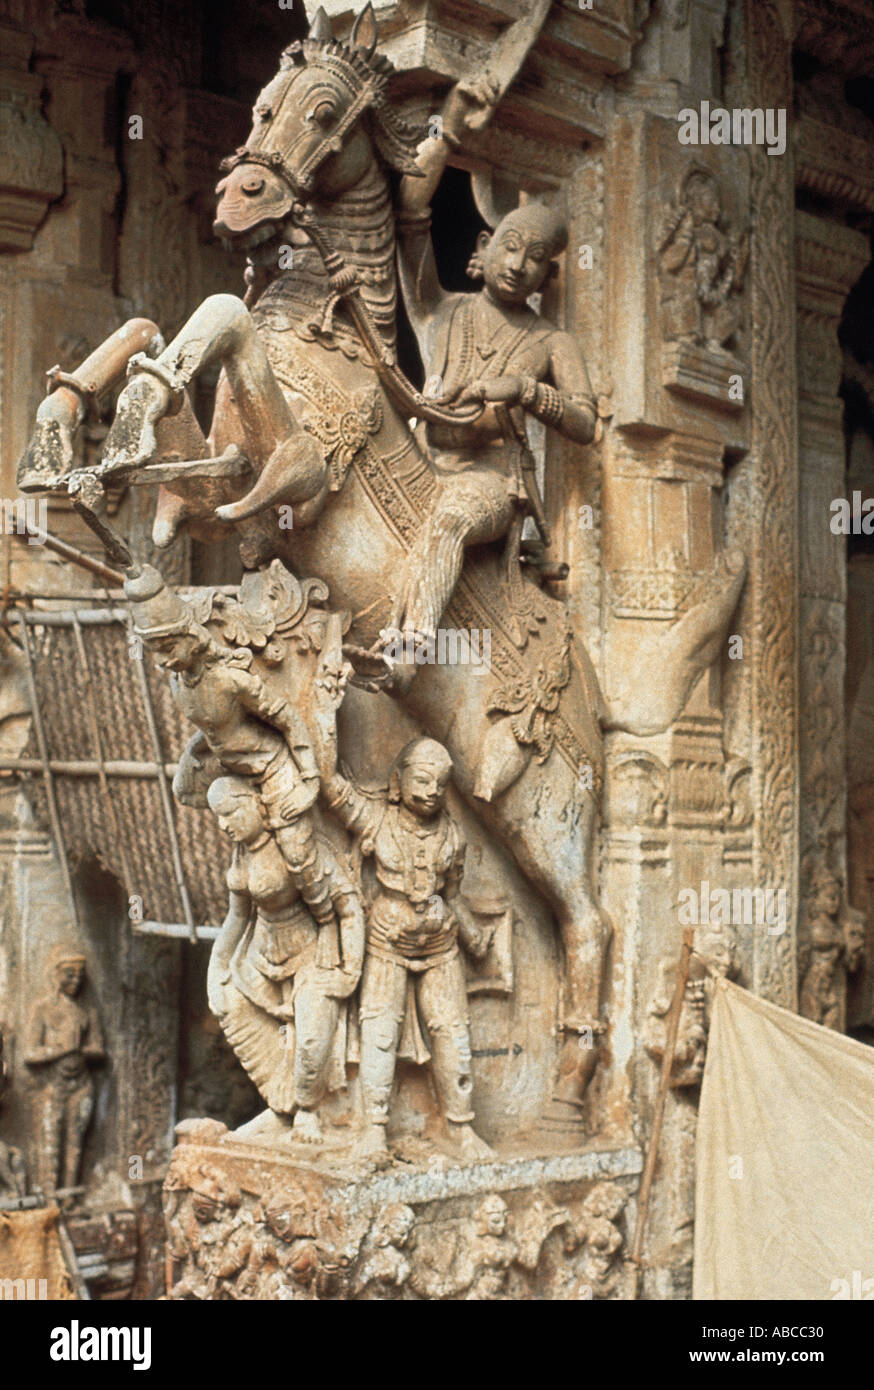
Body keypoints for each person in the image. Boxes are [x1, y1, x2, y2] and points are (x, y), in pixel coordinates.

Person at [386, 77, 598, 659]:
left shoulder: (552, 341)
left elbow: (587, 422)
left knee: (450, 518)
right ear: (482, 247)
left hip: (490, 482)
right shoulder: (439, 307)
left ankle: (409, 649)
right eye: (511, 246)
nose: (519, 264)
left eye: (536, 259)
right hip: (420, 458)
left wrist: (527, 391)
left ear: (548, 277)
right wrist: (450, 125)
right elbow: (409, 211)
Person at [125, 564, 343, 935]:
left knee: (296, 852)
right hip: (229, 765)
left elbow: (288, 720)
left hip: (273, 768)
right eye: (152, 650)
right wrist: (193, 752)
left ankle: (330, 922)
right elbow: (212, 728)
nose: (162, 660)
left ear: (190, 636)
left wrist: (308, 780)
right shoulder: (181, 684)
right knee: (185, 792)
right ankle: (255, 873)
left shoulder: (230, 681)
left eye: (167, 647)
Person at [321, 736, 492, 1161]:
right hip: (387, 939)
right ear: (398, 781)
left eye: (440, 783)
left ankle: (461, 1127)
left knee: (452, 1031)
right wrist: (322, 718)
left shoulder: (452, 837)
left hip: (439, 942)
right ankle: (374, 1129)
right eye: (422, 779)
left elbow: (450, 894)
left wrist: (470, 933)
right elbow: (333, 789)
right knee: (380, 1029)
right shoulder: (377, 822)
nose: (432, 791)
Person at [206, 775, 363, 1142]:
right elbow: (238, 917)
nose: (223, 825)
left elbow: (348, 905)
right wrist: (217, 969)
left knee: (310, 1039)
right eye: (218, 817)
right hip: (261, 953)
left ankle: (308, 1110)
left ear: (256, 802)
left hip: (311, 950)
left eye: (230, 812)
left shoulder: (297, 846)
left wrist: (350, 970)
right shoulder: (241, 854)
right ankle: (280, 1107)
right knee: (230, 1005)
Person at [23, 945, 104, 1193]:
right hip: (51, 1084)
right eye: (69, 974)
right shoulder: (43, 1008)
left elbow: (99, 1048)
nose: (76, 980)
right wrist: (62, 1049)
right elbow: (30, 1053)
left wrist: (83, 1050)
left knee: (75, 1141)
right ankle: (48, 1195)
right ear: (55, 974)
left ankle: (69, 1194)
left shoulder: (86, 1011)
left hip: (81, 1084)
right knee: (50, 1142)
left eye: (80, 975)